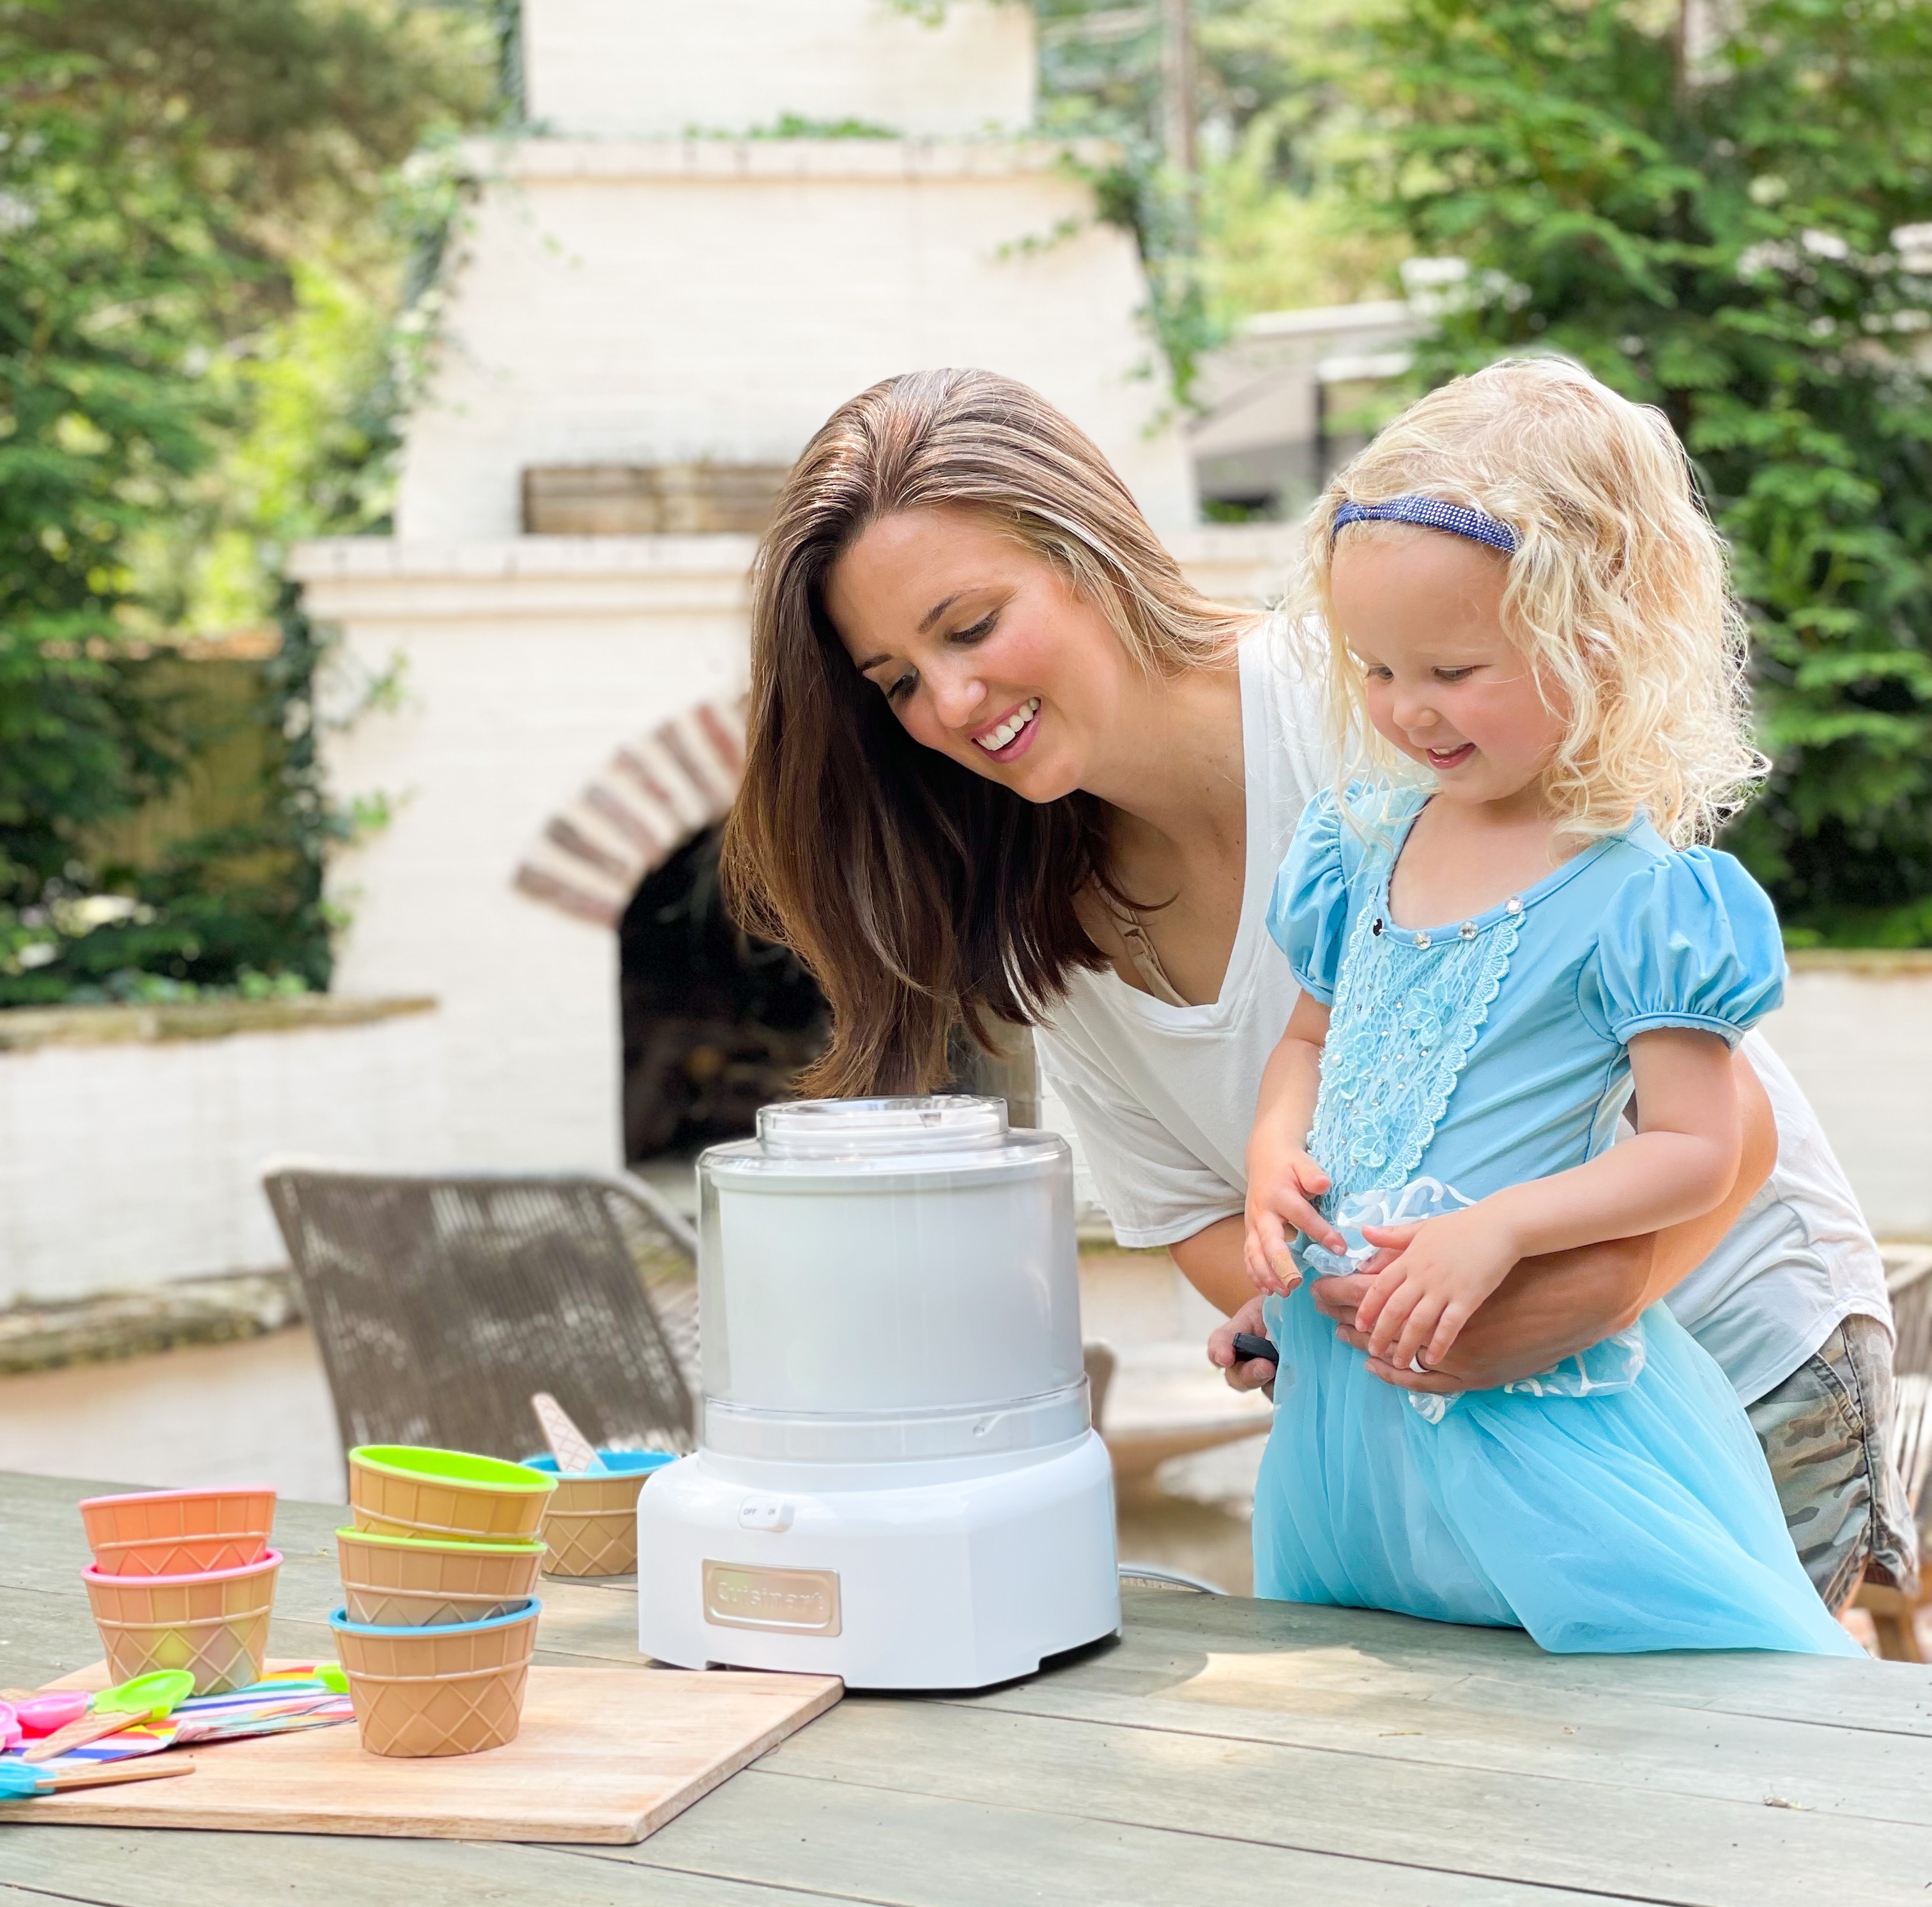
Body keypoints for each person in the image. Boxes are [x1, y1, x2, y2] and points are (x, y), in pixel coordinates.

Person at [721, 365, 1912, 1618]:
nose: (950, 702)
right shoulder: (1038, 917)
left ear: (1085, 551)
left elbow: (1730, 1134)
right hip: (1458, 1445)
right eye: (898, 682)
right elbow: (1193, 1206)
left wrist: (1555, 1303)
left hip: (1725, 1369)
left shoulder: (1372, 701)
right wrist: (1319, 1315)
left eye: (968, 627)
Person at [1238, 355, 1867, 1650]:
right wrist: (1272, 1168)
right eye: (1376, 670)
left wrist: (1503, 1232)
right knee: (1378, 1714)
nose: (1408, 711)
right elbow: (1309, 1047)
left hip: (1537, 1417)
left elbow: (1697, 1151)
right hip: (1353, 1420)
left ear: (1600, 642)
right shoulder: (1357, 847)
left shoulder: (1644, 895)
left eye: (1454, 670)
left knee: (1660, 1730)